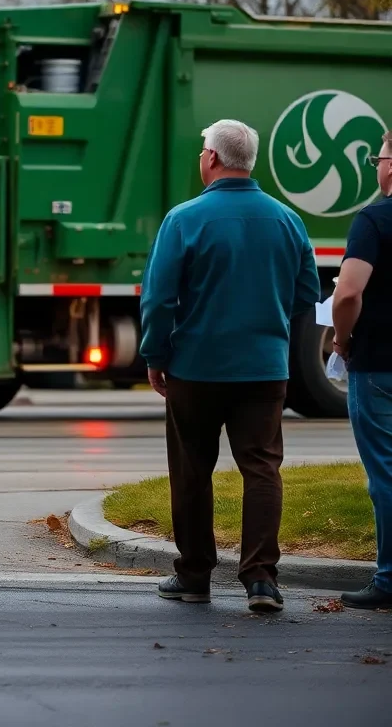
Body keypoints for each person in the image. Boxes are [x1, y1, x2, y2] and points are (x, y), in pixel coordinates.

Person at [140, 119, 319, 613]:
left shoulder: (184, 219)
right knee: (262, 468)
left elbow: (158, 299)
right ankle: (261, 579)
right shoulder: (287, 219)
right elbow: (307, 293)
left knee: (192, 470)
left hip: (195, 368)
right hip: (264, 368)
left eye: (202, 151)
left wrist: (156, 356)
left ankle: (195, 575)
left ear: (213, 159)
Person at [332, 131, 392, 610]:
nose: (376, 164)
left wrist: (341, 337)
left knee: (386, 474)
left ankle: (389, 579)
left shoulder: (374, 220)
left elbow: (348, 293)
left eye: (379, 156)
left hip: (379, 364)